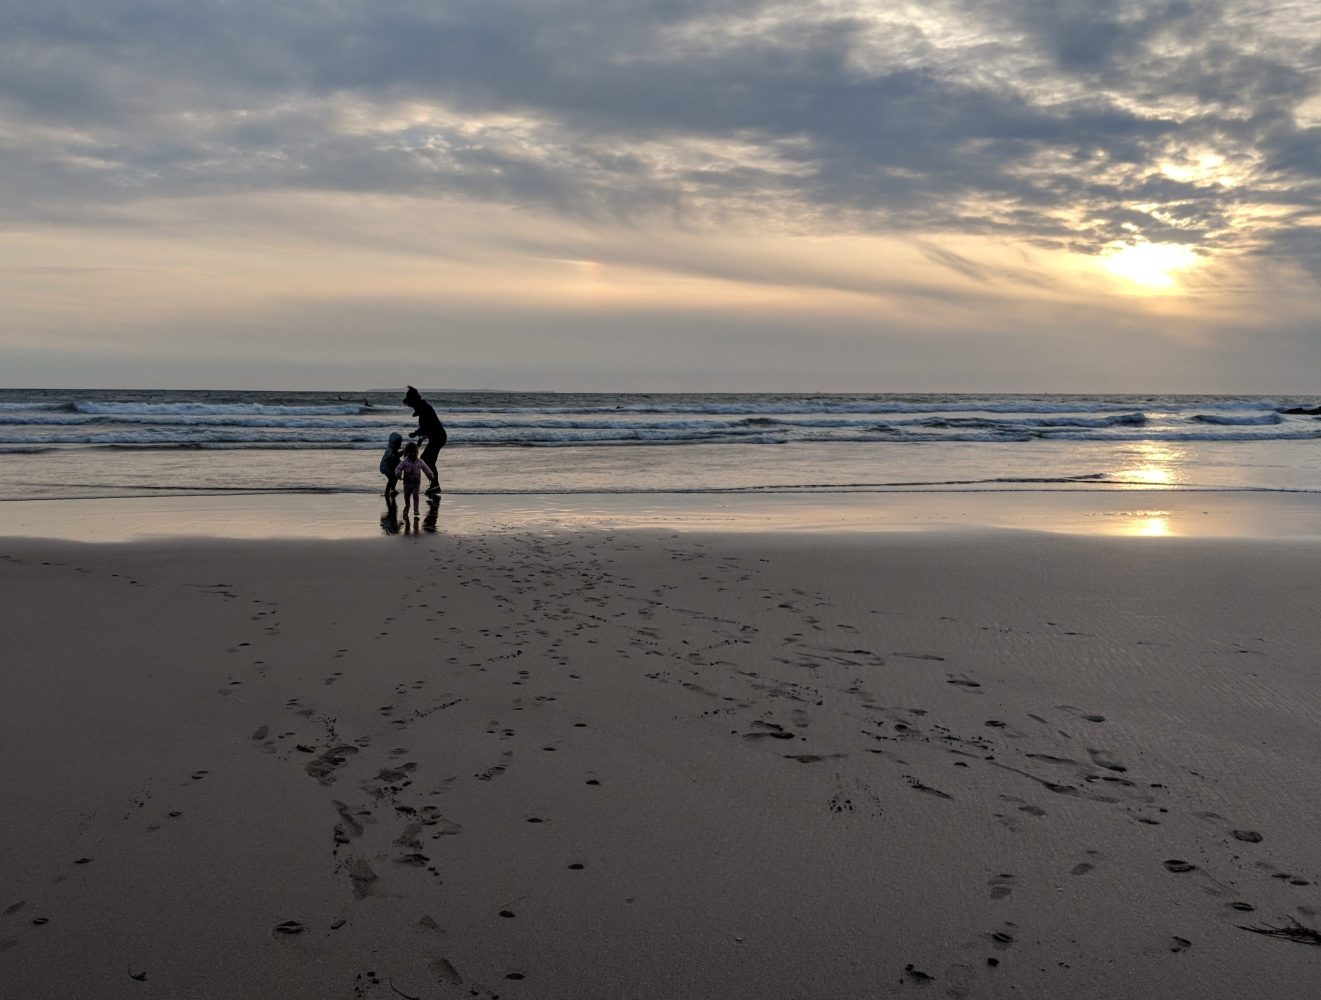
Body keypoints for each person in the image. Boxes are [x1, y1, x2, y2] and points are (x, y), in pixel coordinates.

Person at [403, 385, 447, 495]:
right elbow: (428, 427)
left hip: (438, 437)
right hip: (436, 437)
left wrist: (415, 433)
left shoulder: (424, 409)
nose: (412, 408)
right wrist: (421, 438)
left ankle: (435, 485)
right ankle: (434, 484)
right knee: (427, 460)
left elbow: (427, 427)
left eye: (411, 405)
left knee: (427, 460)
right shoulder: (423, 408)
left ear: (414, 401)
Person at [395, 441, 435, 519]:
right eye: (410, 452)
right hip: (407, 483)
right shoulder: (404, 462)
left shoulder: (420, 462)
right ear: (406, 453)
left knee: (416, 496)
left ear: (416, 452)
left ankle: (416, 509)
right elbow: (398, 468)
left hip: (416, 483)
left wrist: (430, 475)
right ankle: (407, 507)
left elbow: (425, 468)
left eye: (413, 452)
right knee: (407, 496)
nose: (412, 454)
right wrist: (398, 474)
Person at [378, 432, 404, 497]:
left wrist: (403, 451)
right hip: (386, 467)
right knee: (392, 479)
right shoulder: (390, 450)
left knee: (395, 478)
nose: (399, 445)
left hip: (390, 467)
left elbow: (397, 455)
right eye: (398, 443)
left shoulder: (394, 450)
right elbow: (393, 456)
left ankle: (392, 489)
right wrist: (399, 453)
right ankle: (387, 492)